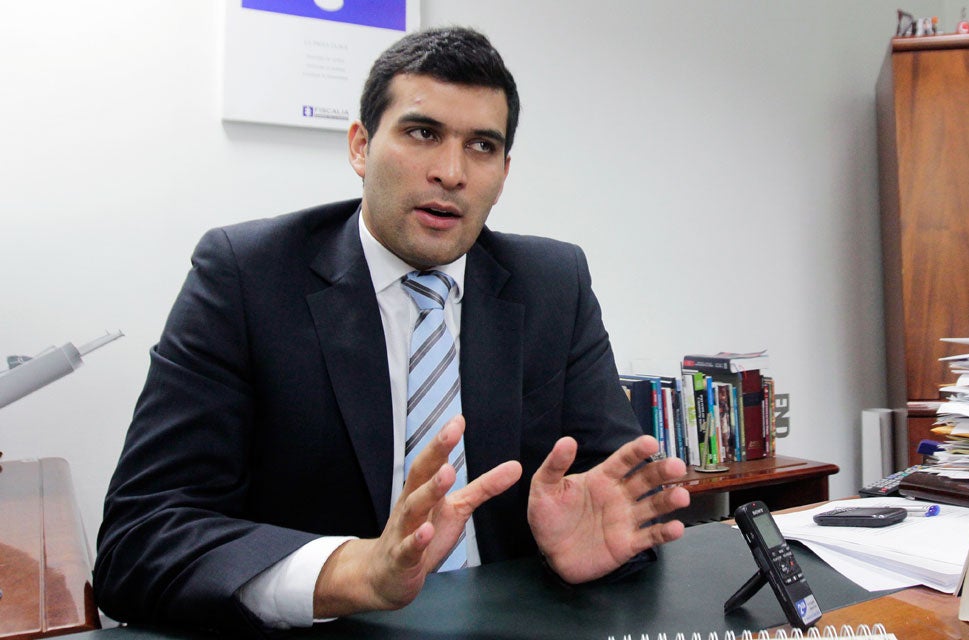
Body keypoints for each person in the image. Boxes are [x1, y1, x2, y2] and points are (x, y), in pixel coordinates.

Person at [93, 26, 690, 636]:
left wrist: (585, 552)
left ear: (504, 171)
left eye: (481, 146)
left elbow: (620, 500)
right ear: (360, 146)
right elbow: (140, 538)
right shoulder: (246, 277)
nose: (451, 172)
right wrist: (356, 573)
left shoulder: (553, 283)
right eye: (422, 133)